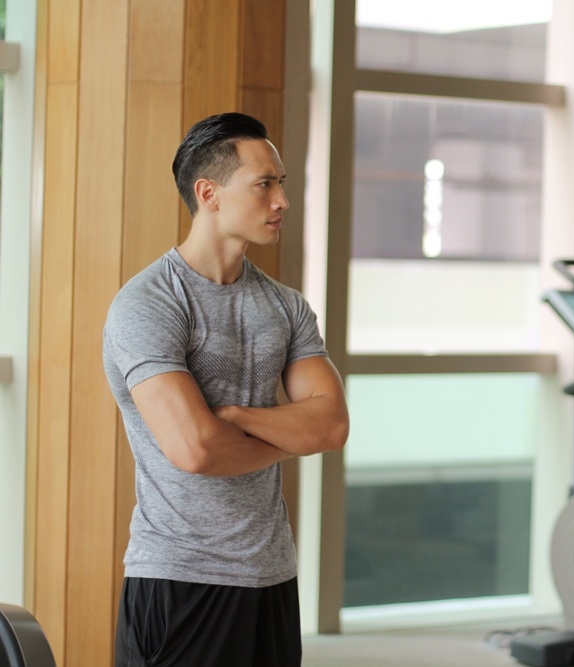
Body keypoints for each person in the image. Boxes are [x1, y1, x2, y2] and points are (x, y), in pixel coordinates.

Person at [103, 112, 350, 667]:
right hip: (180, 577)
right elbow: (196, 450)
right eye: (264, 185)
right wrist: (292, 435)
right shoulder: (148, 305)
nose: (282, 200)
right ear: (208, 193)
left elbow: (332, 426)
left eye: (281, 183)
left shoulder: (286, 306)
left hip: (271, 575)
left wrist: (236, 416)